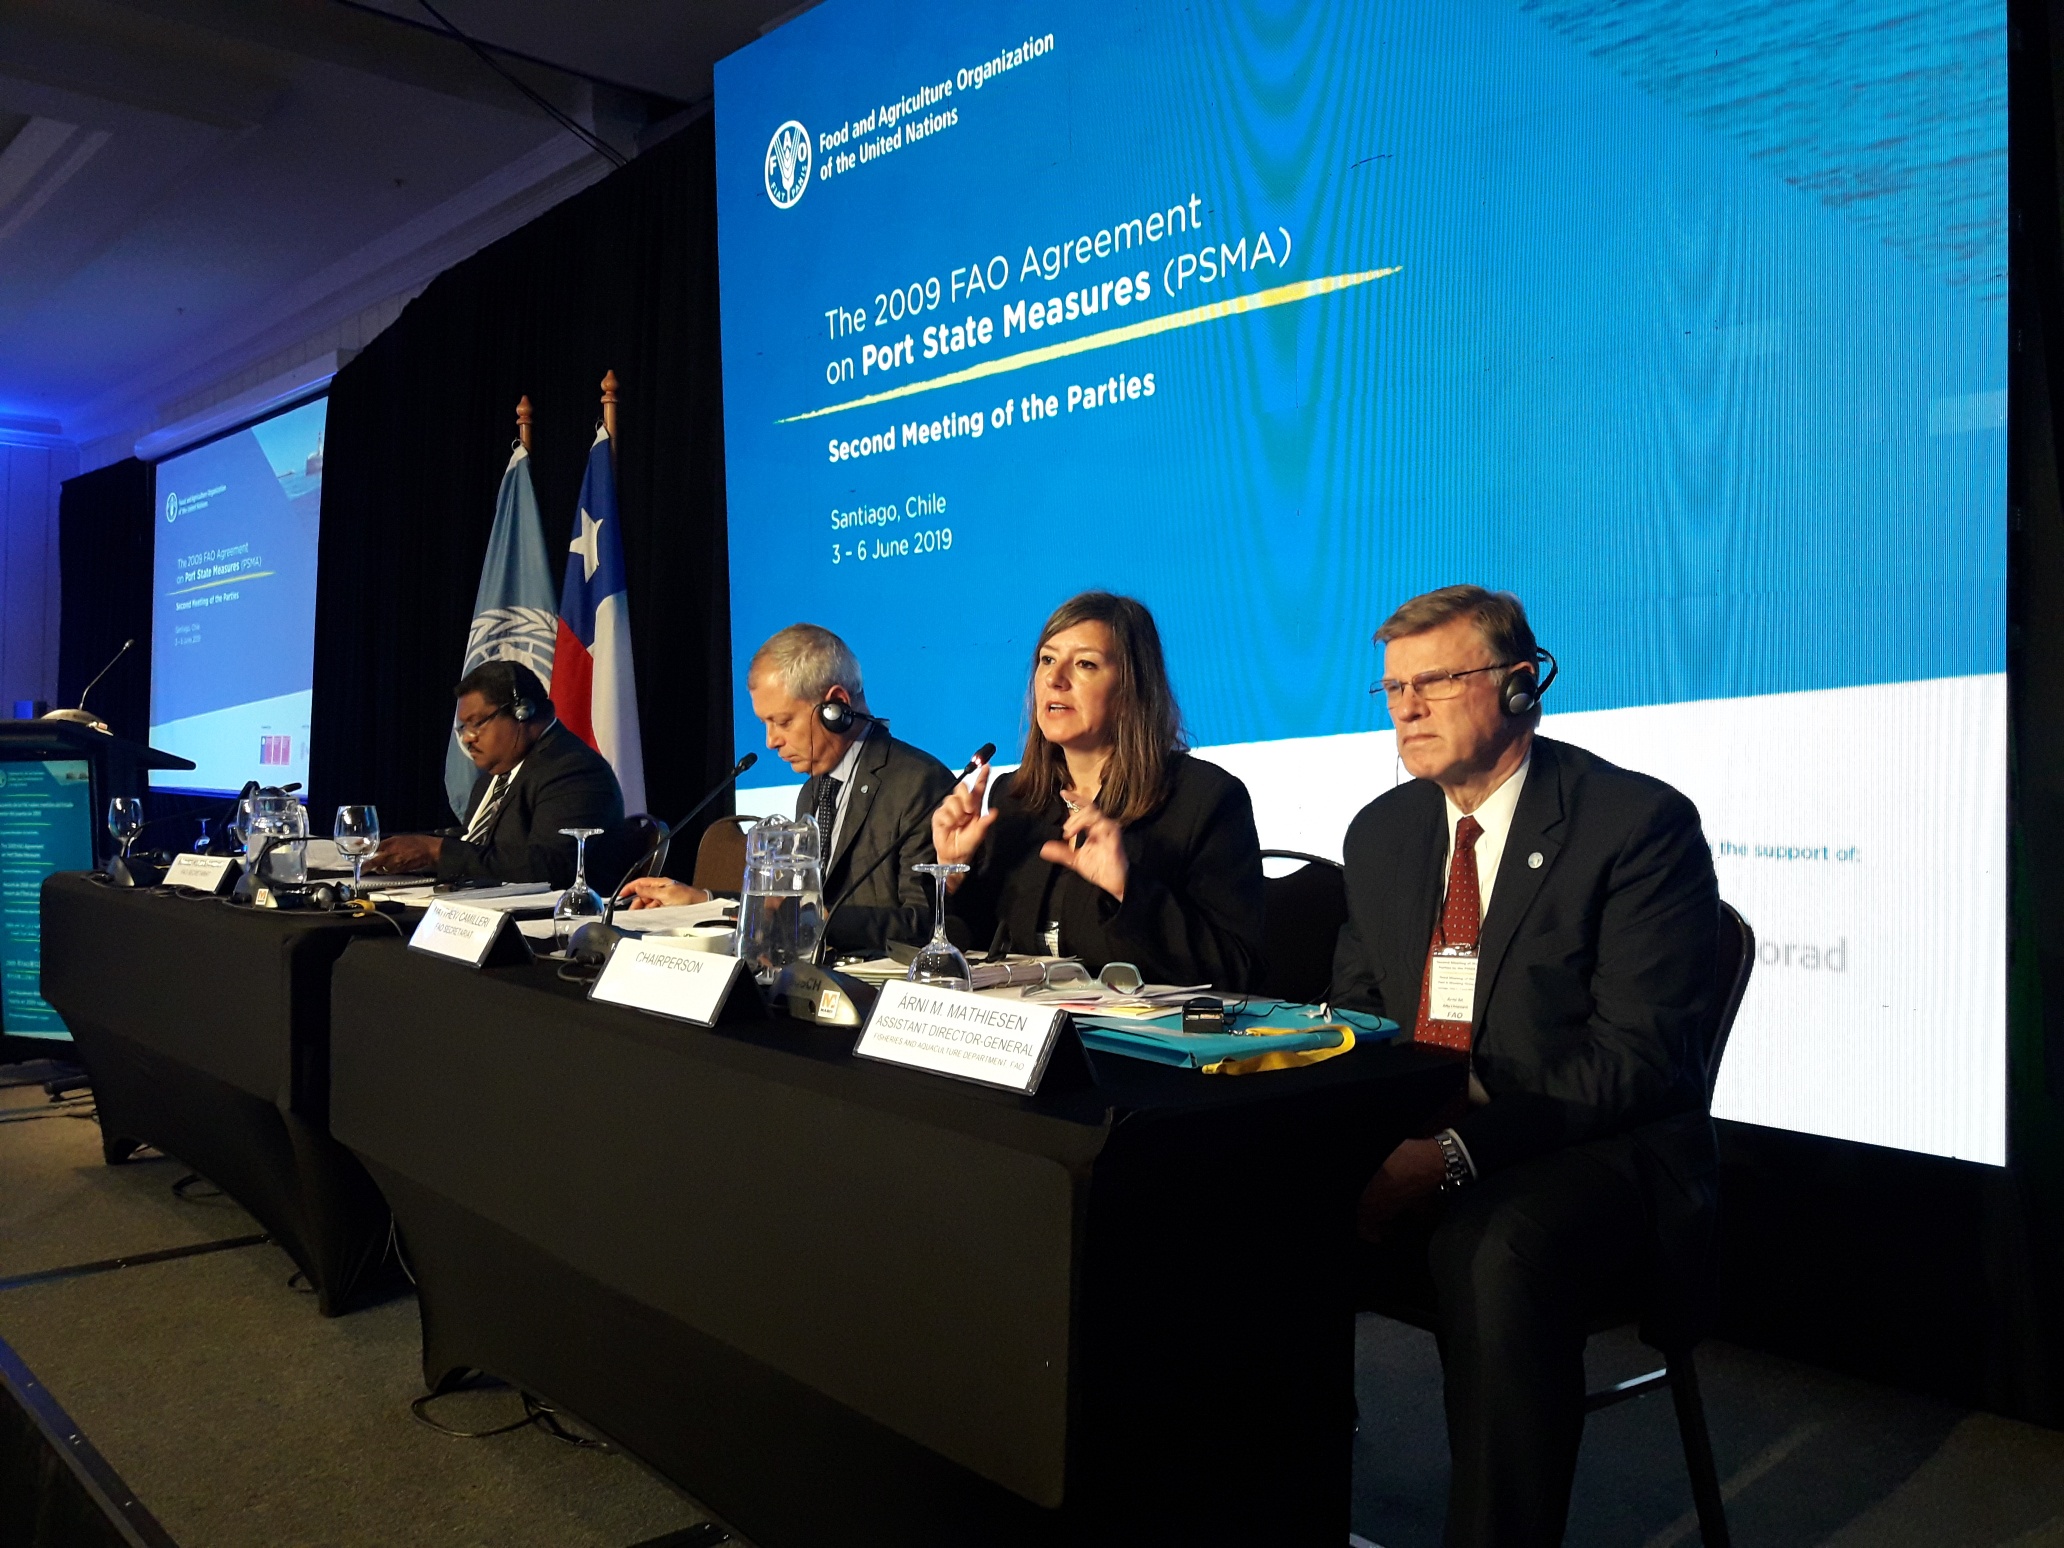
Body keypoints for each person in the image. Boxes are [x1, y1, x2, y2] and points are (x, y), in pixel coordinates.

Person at [1332, 585, 1719, 1548]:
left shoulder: (1636, 824)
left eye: (1434, 682)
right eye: (1393, 689)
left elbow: (1636, 1060)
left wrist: (1452, 1153)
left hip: (1594, 1152)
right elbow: (1359, 1016)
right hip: (1428, 1129)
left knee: (1495, 1250)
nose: (1407, 709)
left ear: (1519, 686)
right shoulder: (1381, 833)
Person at [933, 591, 1264, 988]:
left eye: (1085, 664)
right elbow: (984, 955)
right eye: (1047, 660)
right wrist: (954, 876)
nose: (1055, 679)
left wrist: (1127, 888)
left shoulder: (1205, 800)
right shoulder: (1015, 798)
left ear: (1131, 688)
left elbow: (1237, 969)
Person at [620, 624, 957, 956]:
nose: (771, 741)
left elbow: (927, 922)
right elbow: (788, 905)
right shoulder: (812, 791)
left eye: (782, 722)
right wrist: (703, 900)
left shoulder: (919, 783)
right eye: (765, 723)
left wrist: (817, 921)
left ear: (836, 708)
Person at [366, 660, 627, 890]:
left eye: (477, 723)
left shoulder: (573, 770)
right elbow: (485, 854)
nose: (468, 738)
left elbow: (553, 868)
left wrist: (438, 852)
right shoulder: (493, 779)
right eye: (463, 728)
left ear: (522, 711)